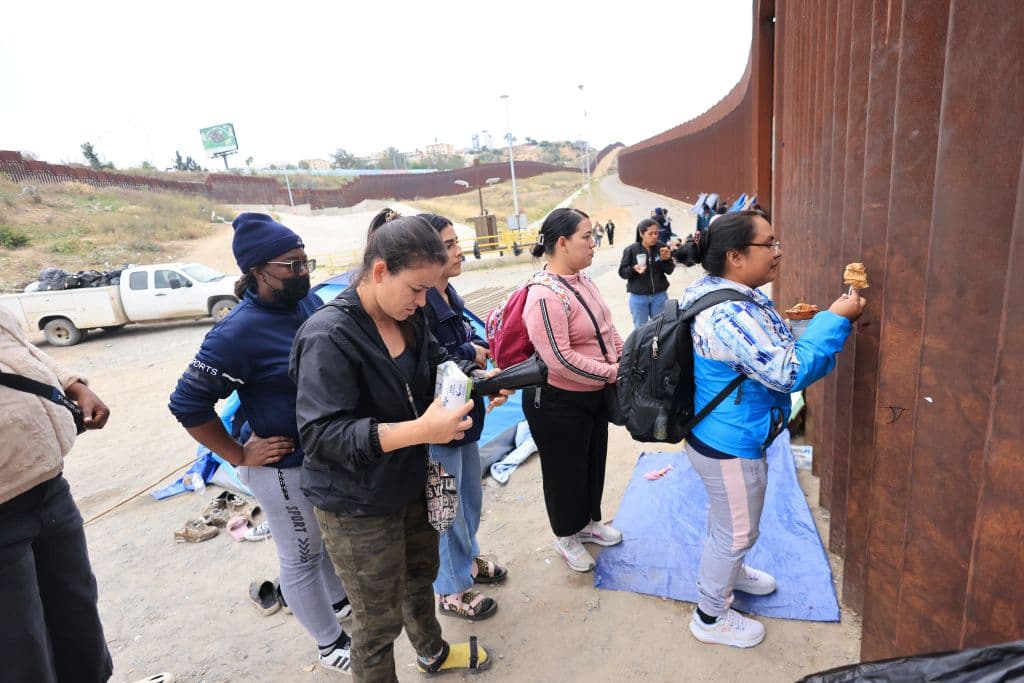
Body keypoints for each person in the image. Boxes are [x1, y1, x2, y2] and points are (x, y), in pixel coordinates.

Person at [291, 216, 509, 681]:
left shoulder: (412, 316)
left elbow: (436, 364)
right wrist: (422, 430)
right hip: (356, 504)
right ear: (378, 271)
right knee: (377, 620)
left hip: (409, 482)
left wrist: (473, 383)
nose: (422, 300)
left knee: (419, 579)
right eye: (414, 288)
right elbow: (322, 436)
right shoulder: (327, 336)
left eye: (429, 289)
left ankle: (431, 651)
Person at [168, 213, 354, 674]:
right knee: (302, 553)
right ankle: (329, 644)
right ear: (257, 272)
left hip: (319, 453)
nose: (303, 272)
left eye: (304, 260)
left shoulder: (306, 302)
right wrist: (237, 454)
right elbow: (187, 403)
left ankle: (338, 601)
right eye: (290, 265)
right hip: (281, 466)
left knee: (323, 541)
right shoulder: (236, 333)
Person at [675, 210, 865, 648]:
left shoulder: (718, 290)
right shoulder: (729, 313)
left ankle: (732, 571)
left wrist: (800, 327)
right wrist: (834, 321)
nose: (778, 253)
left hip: (717, 432)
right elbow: (785, 372)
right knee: (737, 531)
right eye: (770, 244)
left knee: (728, 523)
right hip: (730, 444)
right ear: (736, 256)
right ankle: (710, 616)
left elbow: (754, 352)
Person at [0, 304, 112, 682]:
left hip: (49, 487)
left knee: (78, 620)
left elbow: (18, 350)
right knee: (21, 649)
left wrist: (73, 385)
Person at [521, 208, 624, 573]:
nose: (593, 244)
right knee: (565, 471)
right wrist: (612, 372)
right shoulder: (544, 295)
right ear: (562, 243)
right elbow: (560, 359)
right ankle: (566, 534)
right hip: (558, 402)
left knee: (592, 461)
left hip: (592, 394)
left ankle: (588, 523)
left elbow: (606, 326)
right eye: (587, 236)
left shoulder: (583, 281)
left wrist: (622, 355)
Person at [417, 213, 507, 621]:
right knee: (447, 509)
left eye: (457, 242)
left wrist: (478, 359)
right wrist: (476, 362)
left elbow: (464, 344)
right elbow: (434, 365)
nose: (458, 251)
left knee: (469, 500)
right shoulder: (420, 305)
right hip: (439, 424)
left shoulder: (449, 295)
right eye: (448, 244)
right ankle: (451, 590)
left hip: (467, 417)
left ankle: (467, 562)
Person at [618, 218, 676, 328]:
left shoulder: (661, 247)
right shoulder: (631, 250)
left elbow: (669, 270)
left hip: (659, 296)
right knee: (641, 329)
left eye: (656, 233)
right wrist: (634, 269)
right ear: (641, 234)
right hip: (638, 298)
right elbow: (622, 272)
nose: (654, 236)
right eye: (650, 234)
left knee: (660, 328)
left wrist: (666, 260)